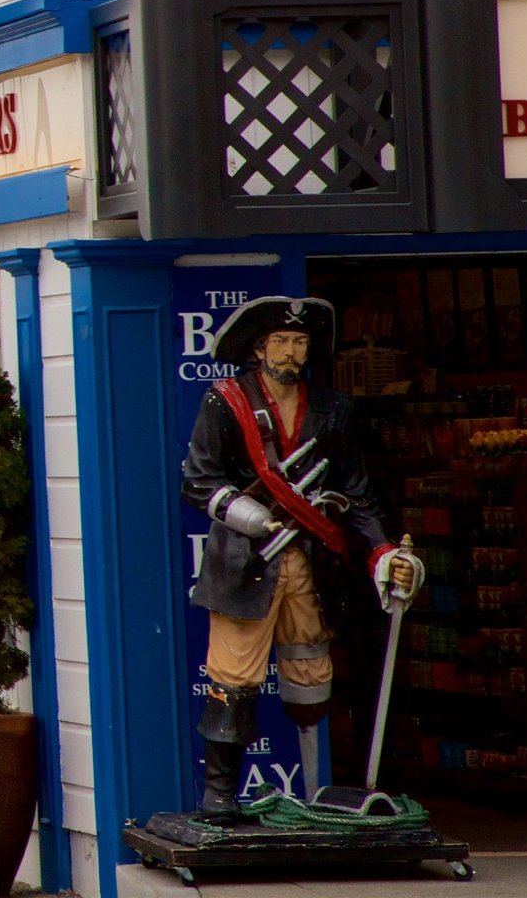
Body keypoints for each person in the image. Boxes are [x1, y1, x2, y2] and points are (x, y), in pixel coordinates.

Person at [180, 296, 422, 819]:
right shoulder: (227, 401)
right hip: (246, 563)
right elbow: (200, 482)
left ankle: (317, 797)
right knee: (234, 679)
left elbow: (356, 495)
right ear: (259, 348)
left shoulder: (332, 408)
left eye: (300, 343)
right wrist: (250, 517)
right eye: (281, 342)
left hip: (310, 564)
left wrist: (381, 552)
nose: (291, 353)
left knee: (310, 674)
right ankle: (219, 797)